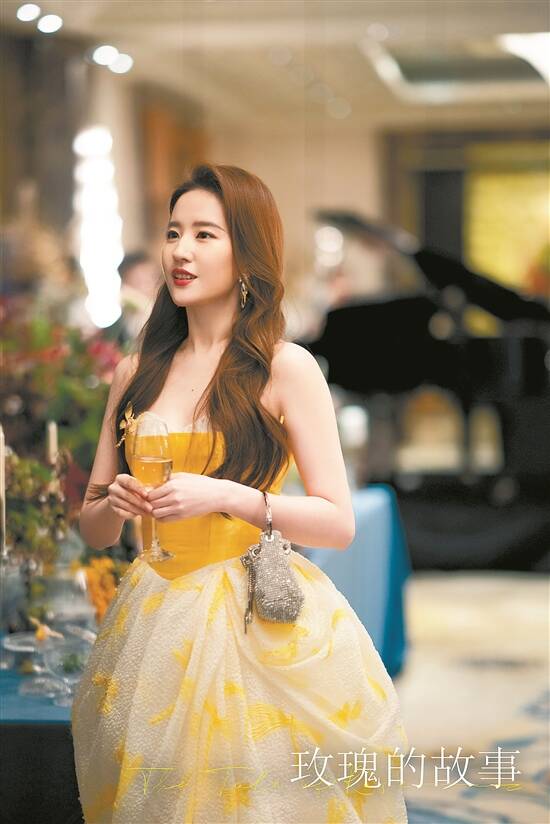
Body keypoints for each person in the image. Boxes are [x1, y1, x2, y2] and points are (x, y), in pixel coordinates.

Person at [71, 163, 409, 823]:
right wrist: (114, 504)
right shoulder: (135, 372)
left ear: (246, 251)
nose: (181, 251)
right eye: (174, 233)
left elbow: (337, 522)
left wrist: (226, 496)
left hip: (252, 614)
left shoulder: (285, 366)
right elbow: (94, 529)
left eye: (205, 234)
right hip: (153, 617)